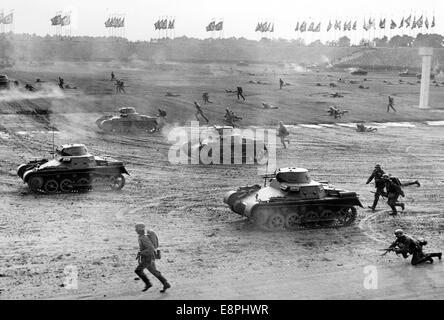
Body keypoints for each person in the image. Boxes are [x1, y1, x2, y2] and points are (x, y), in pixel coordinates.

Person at [134, 223, 171, 293]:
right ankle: (166, 283)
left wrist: (141, 253)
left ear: (140, 229)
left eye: (137, 229)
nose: (135, 230)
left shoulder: (143, 238)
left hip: (148, 257)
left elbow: (151, 248)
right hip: (148, 256)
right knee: (154, 271)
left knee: (138, 270)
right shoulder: (142, 237)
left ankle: (148, 284)